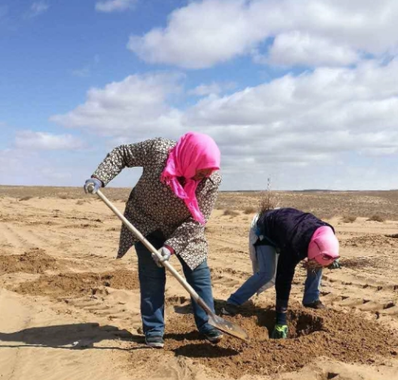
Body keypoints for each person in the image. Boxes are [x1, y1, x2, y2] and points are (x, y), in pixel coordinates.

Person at [84, 132, 222, 349]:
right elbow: (123, 154)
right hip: (145, 222)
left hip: (185, 229)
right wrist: (99, 177)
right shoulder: (158, 152)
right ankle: (154, 330)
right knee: (151, 277)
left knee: (198, 274)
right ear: (191, 158)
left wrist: (170, 247)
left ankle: (208, 323)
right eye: (201, 171)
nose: (202, 177)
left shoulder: (211, 179)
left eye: (208, 171)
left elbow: (198, 221)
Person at [222, 208, 340, 339]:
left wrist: (331, 258)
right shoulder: (294, 245)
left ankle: (311, 299)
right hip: (267, 229)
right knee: (266, 273)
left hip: (289, 228)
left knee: (316, 264)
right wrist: (281, 319)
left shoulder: (327, 232)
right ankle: (233, 302)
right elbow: (283, 281)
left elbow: (325, 247)